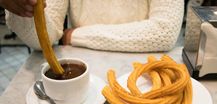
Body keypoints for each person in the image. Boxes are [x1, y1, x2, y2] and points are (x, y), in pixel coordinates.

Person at [5, 0, 184, 52]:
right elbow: (42, 41)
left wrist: (73, 36)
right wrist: (23, 8)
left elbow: (164, 32)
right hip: (85, 71)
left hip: (147, 70)